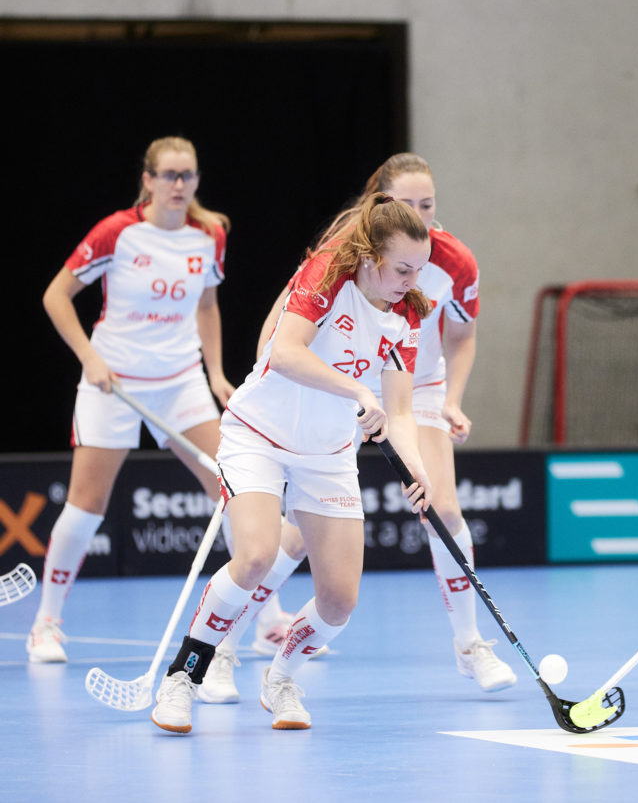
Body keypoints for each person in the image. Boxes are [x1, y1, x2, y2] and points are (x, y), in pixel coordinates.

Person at [193, 152, 515, 707]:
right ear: (380, 205)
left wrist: (447, 406)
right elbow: (283, 337)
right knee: (283, 542)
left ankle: (470, 644)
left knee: (440, 507)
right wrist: (284, 370)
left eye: (428, 204)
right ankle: (222, 647)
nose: (420, 215)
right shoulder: (341, 255)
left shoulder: (448, 264)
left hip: (411, 386)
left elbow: (456, 340)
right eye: (408, 204)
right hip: (329, 389)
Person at [150, 193, 434, 734]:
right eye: (403, 269)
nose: (411, 281)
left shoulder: (408, 313)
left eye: (419, 269)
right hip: (258, 434)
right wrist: (357, 390)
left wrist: (416, 467)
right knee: (256, 555)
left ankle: (280, 678)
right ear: (371, 256)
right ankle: (184, 676)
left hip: (326, 453)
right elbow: (283, 353)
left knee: (340, 601)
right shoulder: (327, 273)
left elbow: (399, 410)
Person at [28, 137, 232, 663]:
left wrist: (215, 373)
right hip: (114, 382)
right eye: (168, 175)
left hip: (180, 380)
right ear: (148, 180)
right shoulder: (116, 232)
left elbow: (207, 305)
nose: (179, 185)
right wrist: (90, 358)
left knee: (231, 488)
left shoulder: (209, 235)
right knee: (86, 504)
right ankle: (46, 623)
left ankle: (265, 619)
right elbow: (55, 296)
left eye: (188, 175)